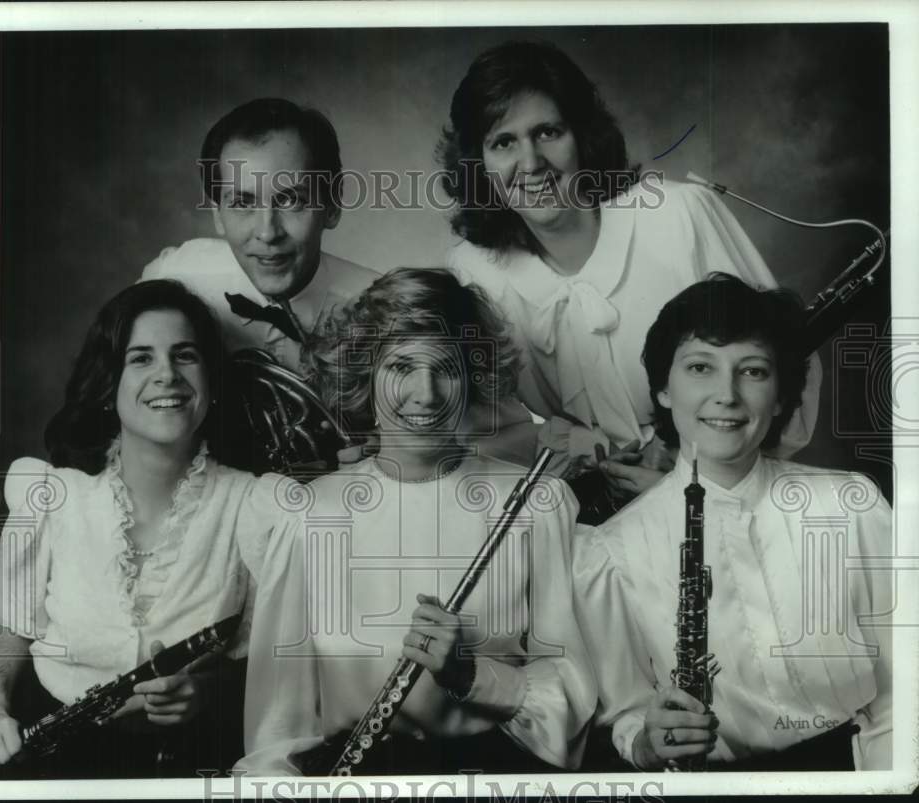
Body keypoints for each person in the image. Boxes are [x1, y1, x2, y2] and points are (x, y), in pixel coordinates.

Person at [235, 268, 596, 775]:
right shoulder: (308, 515)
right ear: (365, 376)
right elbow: (276, 739)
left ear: (472, 378)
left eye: (445, 368)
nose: (425, 394)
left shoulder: (535, 503)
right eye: (401, 366)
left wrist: (470, 674)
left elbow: (570, 699)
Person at [438, 40, 820, 502]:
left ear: (582, 135)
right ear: (478, 164)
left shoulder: (677, 215)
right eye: (503, 142)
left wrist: (693, 480)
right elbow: (480, 427)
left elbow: (783, 374)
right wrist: (576, 457)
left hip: (720, 499)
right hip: (586, 516)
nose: (531, 164)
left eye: (547, 133)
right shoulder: (474, 272)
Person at [0, 280, 290, 779]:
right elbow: (9, 621)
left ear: (211, 382)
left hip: (200, 764)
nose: (167, 376)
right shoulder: (52, 496)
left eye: (185, 356)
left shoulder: (256, 505)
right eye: (141, 358)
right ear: (107, 383)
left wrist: (208, 690)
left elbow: (281, 659)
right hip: (55, 761)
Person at [573, 274, 892, 771]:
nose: (727, 394)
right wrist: (646, 741)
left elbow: (903, 692)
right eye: (700, 367)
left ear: (782, 397)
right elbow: (627, 715)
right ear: (662, 388)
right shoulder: (608, 553)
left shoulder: (851, 505)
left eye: (754, 372)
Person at [141, 97, 380, 370]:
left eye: (291, 201)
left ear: (332, 206)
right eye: (242, 203)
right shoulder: (174, 279)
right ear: (218, 215)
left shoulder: (381, 312)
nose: (268, 233)